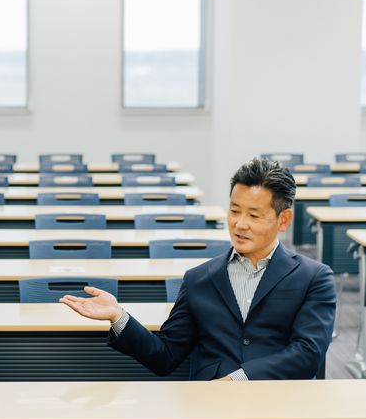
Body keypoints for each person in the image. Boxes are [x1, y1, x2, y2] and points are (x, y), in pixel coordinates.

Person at [61, 158, 336, 380]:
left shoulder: (314, 277)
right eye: (234, 211)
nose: (240, 224)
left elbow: (307, 353)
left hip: (284, 404)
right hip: (210, 408)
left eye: (253, 215)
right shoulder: (200, 279)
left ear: (283, 220)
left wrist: (239, 379)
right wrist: (118, 316)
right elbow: (165, 356)